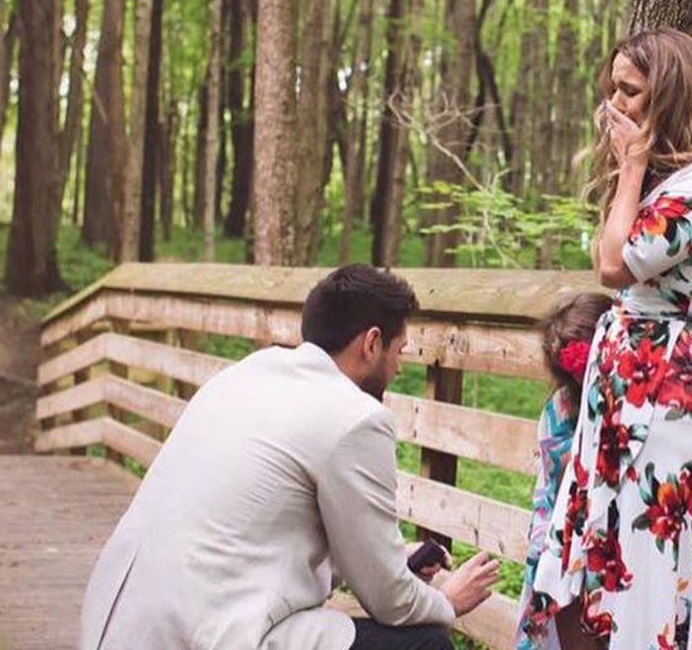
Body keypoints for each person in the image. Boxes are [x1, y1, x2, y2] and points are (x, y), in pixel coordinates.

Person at [79, 264, 500, 650]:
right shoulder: (356, 417)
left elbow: (267, 535)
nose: (399, 367)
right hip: (210, 634)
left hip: (118, 623)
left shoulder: (245, 373)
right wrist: (447, 601)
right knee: (424, 644)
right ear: (372, 343)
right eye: (400, 350)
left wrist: (393, 560)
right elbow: (389, 602)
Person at [523, 28, 692, 650]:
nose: (615, 104)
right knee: (596, 547)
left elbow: (613, 266)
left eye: (630, 91)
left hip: (668, 391)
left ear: (671, 96)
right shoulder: (673, 177)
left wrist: (631, 162)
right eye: (612, 88)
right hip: (626, 381)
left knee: (650, 555)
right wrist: (632, 168)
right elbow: (611, 255)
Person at [514, 293, 613, 650]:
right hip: (563, 526)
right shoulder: (559, 410)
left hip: (606, 535)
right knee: (567, 573)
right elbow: (563, 486)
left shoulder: (624, 403)